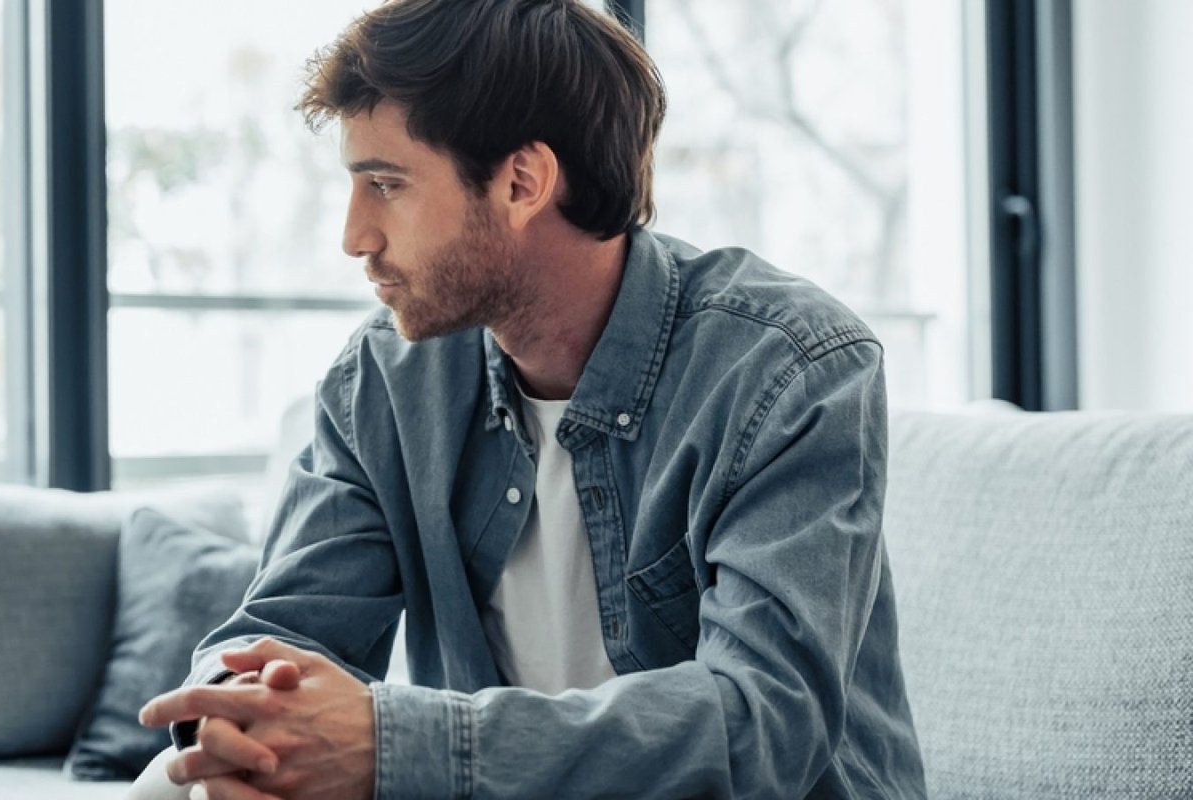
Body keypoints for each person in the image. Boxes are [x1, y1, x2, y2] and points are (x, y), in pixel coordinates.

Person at [131, 0, 927, 797]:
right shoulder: (383, 383)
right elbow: (279, 635)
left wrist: (395, 744)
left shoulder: (787, 370)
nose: (355, 236)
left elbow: (762, 724)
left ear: (521, 182)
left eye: (386, 184)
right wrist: (239, 730)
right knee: (179, 786)